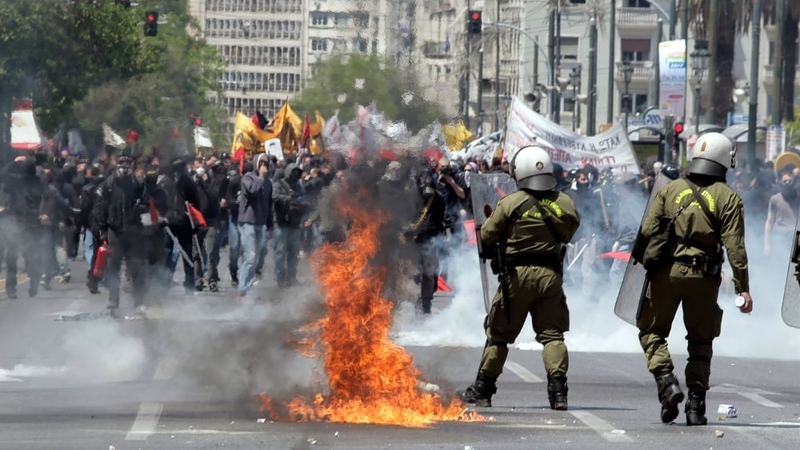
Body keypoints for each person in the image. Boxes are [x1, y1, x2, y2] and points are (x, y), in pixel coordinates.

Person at [634, 132, 752, 426]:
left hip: (666, 273)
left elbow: (646, 230)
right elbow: (735, 248)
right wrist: (743, 289)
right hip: (704, 277)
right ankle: (696, 407)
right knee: (701, 340)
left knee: (651, 332)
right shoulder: (729, 198)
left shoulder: (670, 189)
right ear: (725, 159)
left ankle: (666, 382)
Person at [458, 145, 580, 410]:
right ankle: (559, 393)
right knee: (553, 336)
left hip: (516, 276)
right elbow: (569, 233)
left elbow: (486, 237)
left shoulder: (511, 203)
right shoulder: (564, 202)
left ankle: (483, 390)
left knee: (499, 335)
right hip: (550, 276)